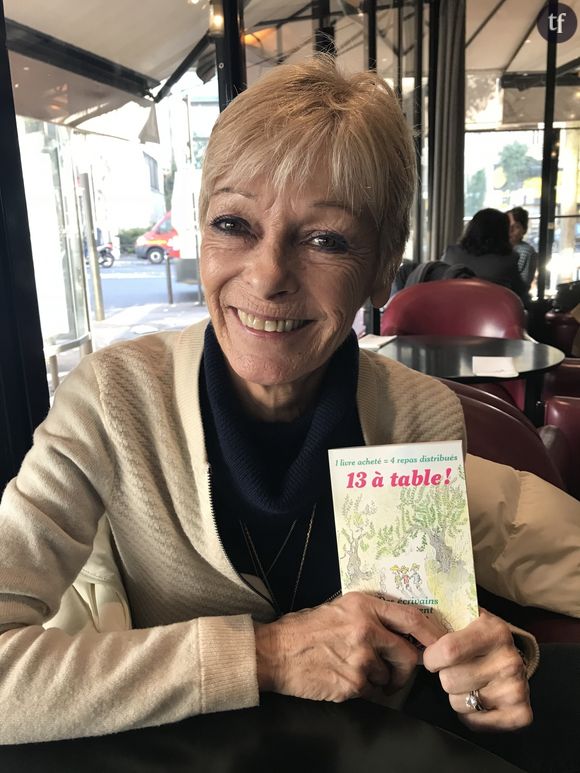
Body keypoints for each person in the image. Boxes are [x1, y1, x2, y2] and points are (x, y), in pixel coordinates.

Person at [0, 57, 569, 768]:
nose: (267, 275)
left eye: (325, 238)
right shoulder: (113, 401)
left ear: (383, 265)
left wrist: (486, 669)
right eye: (234, 223)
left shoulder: (420, 415)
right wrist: (261, 655)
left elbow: (431, 645)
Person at [442, 208, 530, 306]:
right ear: (502, 233)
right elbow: (522, 295)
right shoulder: (509, 260)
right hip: (492, 317)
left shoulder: (451, 253)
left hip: (451, 312)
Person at [507, 206, 538, 292]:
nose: (510, 230)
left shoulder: (526, 251)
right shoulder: (498, 248)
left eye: (516, 226)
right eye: (507, 225)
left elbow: (522, 286)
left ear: (524, 230)